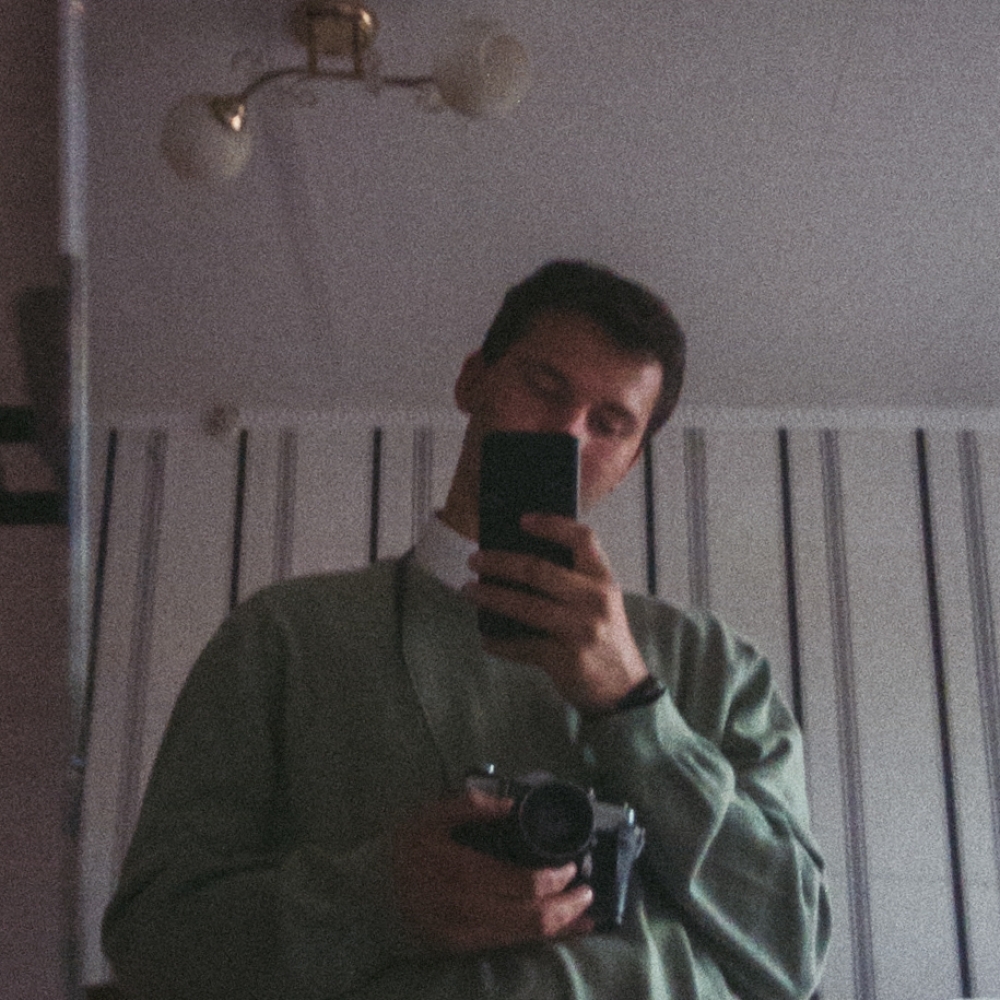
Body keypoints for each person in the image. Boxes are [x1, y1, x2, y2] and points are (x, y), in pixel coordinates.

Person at [102, 260, 831, 999]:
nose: (567, 432)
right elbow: (152, 943)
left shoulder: (719, 666)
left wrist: (636, 707)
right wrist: (374, 900)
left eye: (610, 424)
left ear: (632, 458)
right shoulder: (281, 636)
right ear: (472, 380)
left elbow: (794, 949)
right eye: (543, 386)